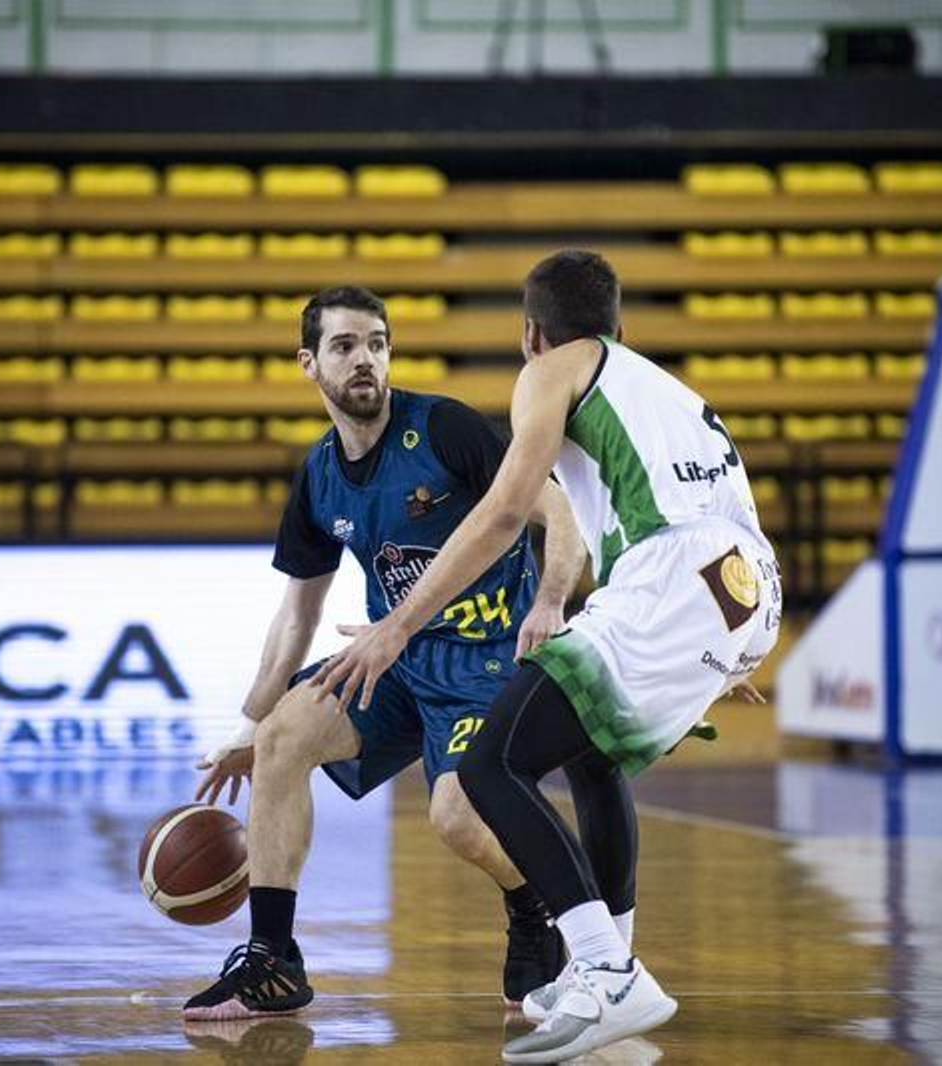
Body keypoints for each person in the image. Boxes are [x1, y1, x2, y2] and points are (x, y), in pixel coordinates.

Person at [317, 251, 782, 1063]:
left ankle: (607, 970)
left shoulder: (549, 370)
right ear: (619, 326)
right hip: (749, 587)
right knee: (591, 756)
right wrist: (715, 635)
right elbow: (705, 526)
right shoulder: (665, 388)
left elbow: (505, 513)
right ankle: (608, 964)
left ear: (532, 333)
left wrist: (397, 627)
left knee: (491, 765)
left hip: (676, 578)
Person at [183, 285, 594, 1021]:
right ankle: (272, 962)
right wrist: (248, 725)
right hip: (395, 661)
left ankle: (533, 902)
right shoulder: (318, 475)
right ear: (309, 363)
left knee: (456, 818)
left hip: (485, 661)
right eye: (344, 346)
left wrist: (551, 598)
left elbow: (559, 509)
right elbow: (297, 614)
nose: (365, 359)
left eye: (376, 343)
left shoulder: (443, 429)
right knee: (281, 736)